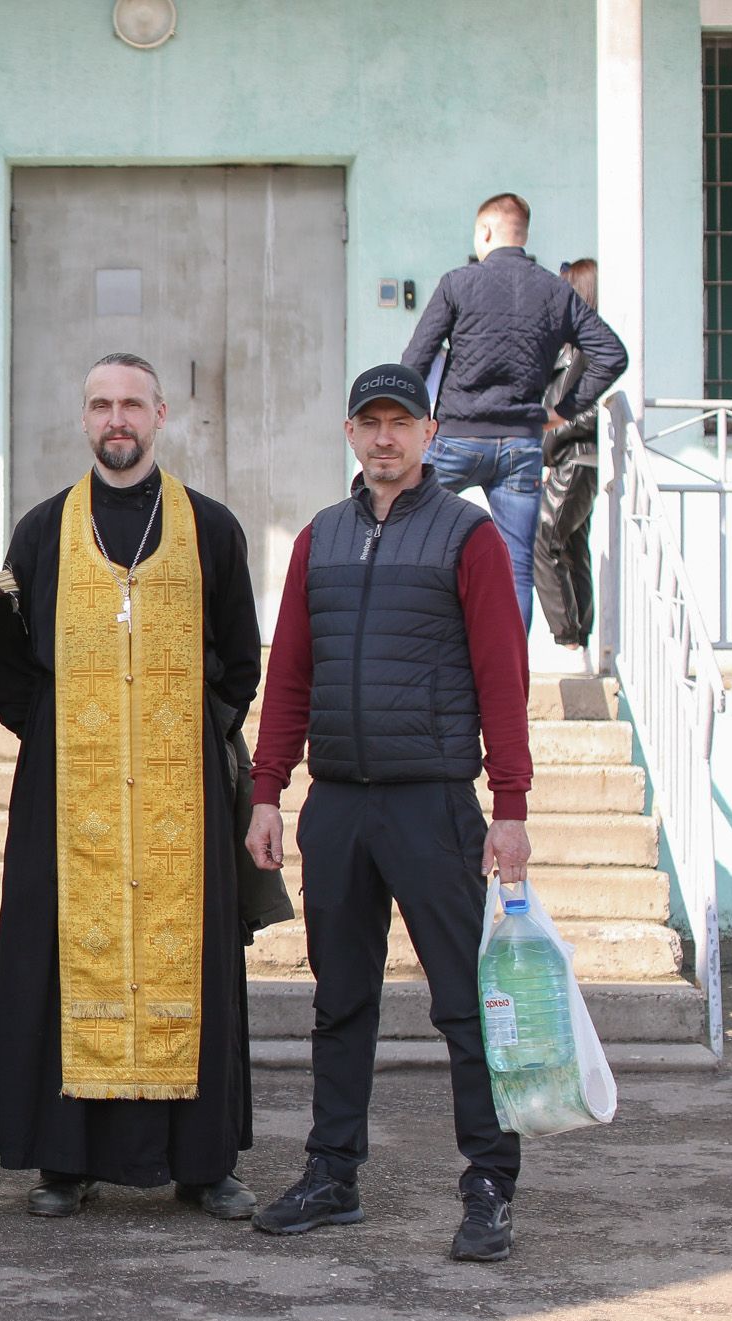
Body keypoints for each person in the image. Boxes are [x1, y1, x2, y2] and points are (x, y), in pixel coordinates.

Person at [244, 362, 533, 1263]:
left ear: (429, 432)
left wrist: (510, 804)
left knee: (462, 1003)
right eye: (369, 422)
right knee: (341, 1001)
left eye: (399, 422)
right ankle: (333, 1172)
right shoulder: (320, 539)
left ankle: (489, 1181)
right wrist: (267, 790)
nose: (384, 438)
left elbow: (502, 677)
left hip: (434, 804)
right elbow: (289, 670)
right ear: (349, 433)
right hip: (337, 808)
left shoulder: (468, 537)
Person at [0, 353, 265, 1219]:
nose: (116, 419)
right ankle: (65, 1163)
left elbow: (240, 659)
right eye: (100, 402)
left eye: (131, 403)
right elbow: (11, 665)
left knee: (193, 968)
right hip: (72, 796)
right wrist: (69, 743)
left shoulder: (211, 528)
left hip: (183, 797)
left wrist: (181, 735)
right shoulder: (39, 531)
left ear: (161, 414)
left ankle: (203, 1165)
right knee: (59, 963)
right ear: (84, 415)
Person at [401, 193, 628, 629]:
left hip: (455, 439)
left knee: (414, 542)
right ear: (522, 234)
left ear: (484, 231)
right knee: (516, 569)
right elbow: (611, 354)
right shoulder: (555, 291)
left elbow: (415, 360)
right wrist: (562, 410)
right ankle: (508, 687)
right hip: (521, 446)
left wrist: (413, 424)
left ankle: (418, 654)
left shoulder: (457, 283)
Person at [533, 259, 605, 674]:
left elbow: (590, 413)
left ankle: (568, 641)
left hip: (576, 459)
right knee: (572, 548)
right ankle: (581, 644)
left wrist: (550, 435)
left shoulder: (589, 347)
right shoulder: (574, 344)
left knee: (545, 539)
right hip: (571, 459)